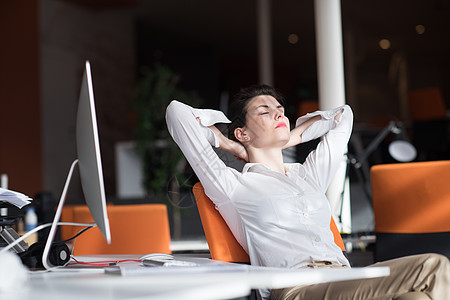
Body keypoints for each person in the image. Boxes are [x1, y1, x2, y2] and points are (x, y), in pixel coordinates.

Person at [165, 84, 450, 300]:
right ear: (243, 133)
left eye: (279, 110)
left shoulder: (308, 175)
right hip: (297, 289)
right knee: (434, 266)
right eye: (264, 111)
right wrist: (232, 146)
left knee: (417, 297)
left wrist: (290, 137)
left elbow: (342, 118)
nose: (278, 113)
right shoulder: (232, 186)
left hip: (345, 279)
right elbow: (177, 114)